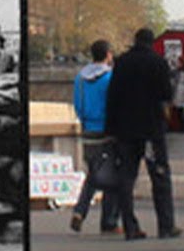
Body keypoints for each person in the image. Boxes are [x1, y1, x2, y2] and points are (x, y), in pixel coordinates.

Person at [105, 28, 183, 241]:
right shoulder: (158, 62)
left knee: (126, 178)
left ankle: (131, 226)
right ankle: (166, 226)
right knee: (159, 177)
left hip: (126, 130)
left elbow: (112, 97)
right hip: (151, 130)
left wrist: (111, 129)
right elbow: (166, 94)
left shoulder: (122, 62)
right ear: (151, 42)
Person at [70, 39, 120, 235]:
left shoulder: (80, 79)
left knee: (94, 173)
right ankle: (109, 220)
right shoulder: (110, 77)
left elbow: (77, 104)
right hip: (106, 131)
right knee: (111, 176)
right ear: (108, 54)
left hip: (88, 129)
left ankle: (80, 211)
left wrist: (85, 120)